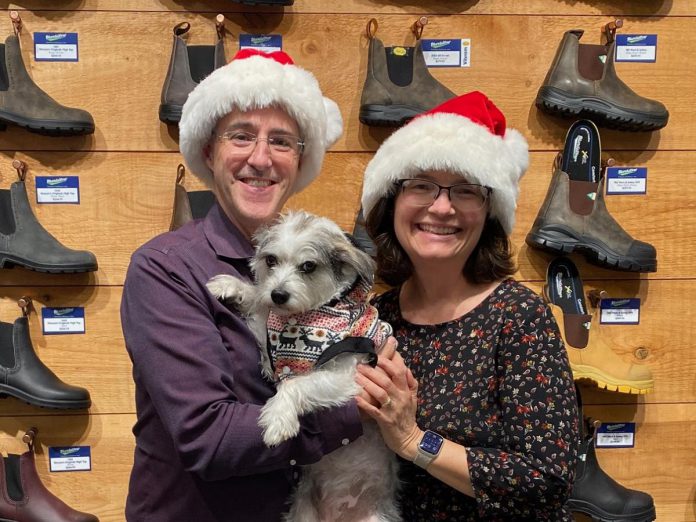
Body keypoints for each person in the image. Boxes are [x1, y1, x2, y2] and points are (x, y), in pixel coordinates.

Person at [120, 49, 388, 521]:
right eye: (241, 136)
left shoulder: (326, 276)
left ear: (300, 160)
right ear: (209, 150)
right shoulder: (165, 269)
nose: (260, 158)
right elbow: (209, 437)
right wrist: (359, 408)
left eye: (281, 142)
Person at [355, 91, 581, 521]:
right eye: (421, 184)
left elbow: (548, 478)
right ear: (392, 202)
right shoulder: (376, 317)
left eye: (465, 190)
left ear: (489, 211)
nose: (441, 207)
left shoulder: (517, 316)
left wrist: (413, 440)